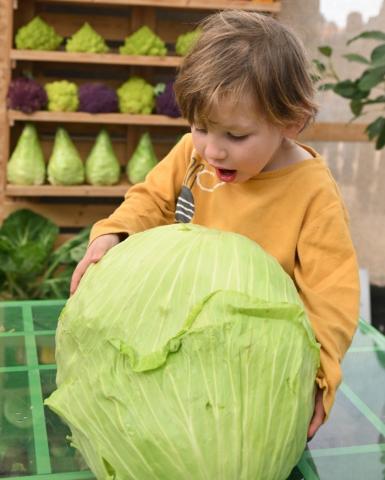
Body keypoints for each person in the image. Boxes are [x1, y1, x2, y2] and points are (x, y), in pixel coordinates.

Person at [70, 10, 360, 440]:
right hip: (178, 340)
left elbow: (331, 291)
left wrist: (320, 374)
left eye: (235, 137)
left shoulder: (313, 190)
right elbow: (150, 200)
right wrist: (116, 232)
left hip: (253, 363)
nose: (213, 151)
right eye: (200, 127)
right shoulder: (192, 152)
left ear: (291, 121)